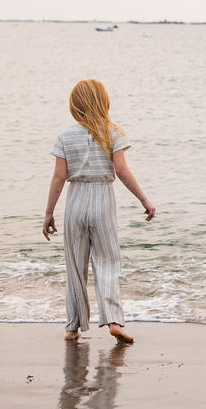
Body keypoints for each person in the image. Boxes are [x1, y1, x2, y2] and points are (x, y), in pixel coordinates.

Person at [42, 79, 156, 344]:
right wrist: (144, 200)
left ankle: (72, 327)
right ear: (104, 102)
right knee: (107, 261)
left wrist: (48, 213)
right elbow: (122, 171)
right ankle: (114, 321)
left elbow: (59, 178)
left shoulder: (65, 137)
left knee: (75, 265)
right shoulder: (112, 133)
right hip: (102, 199)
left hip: (76, 200)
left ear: (75, 106)